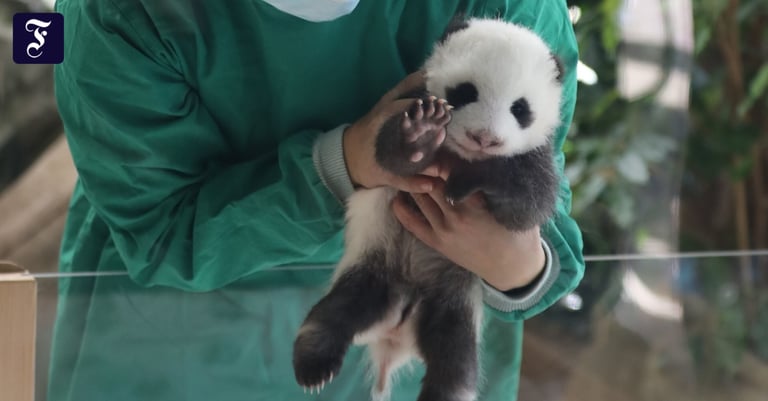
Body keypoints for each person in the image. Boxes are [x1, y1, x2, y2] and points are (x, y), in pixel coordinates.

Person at [49, 0, 585, 400]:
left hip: (422, 353)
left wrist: (518, 263)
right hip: (188, 345)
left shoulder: (512, 8)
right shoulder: (118, 16)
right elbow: (161, 228)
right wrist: (345, 163)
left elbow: (546, 204)